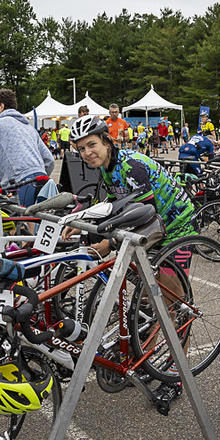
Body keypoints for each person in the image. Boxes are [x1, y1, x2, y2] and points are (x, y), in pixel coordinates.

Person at [68, 115, 197, 403]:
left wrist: (108, 242)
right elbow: (116, 204)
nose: (87, 153)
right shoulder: (107, 167)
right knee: (148, 298)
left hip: (177, 227)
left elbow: (144, 216)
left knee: (171, 304)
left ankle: (176, 373)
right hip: (154, 226)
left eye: (91, 145)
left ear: (107, 141)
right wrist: (82, 220)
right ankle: (147, 357)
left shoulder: (131, 166)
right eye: (81, 149)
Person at [0, 88, 55, 207]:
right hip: (43, 182)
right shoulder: (29, 128)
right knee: (40, 217)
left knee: (22, 218)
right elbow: (49, 160)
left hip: (20, 183)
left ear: (1, 106)